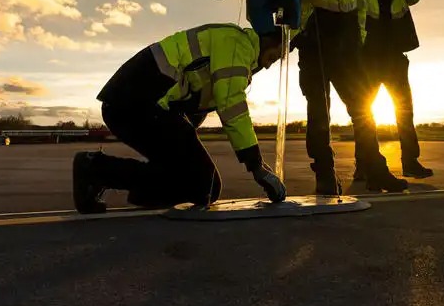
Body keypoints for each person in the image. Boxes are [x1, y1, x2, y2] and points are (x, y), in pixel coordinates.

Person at [72, 23, 287, 214]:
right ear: (268, 39)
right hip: (136, 104)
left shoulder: (232, 47)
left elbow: (194, 97)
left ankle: (110, 176)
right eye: (274, 56)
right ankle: (94, 169)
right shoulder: (239, 45)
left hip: (134, 105)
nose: (268, 65)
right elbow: (232, 106)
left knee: (200, 184)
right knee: (203, 186)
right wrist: (256, 166)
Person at [291, 0, 409, 195]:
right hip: (314, 51)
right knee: (319, 113)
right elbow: (294, 2)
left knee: (363, 111)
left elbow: (361, 10)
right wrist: (295, 37)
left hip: (346, 54)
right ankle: (325, 175)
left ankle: (376, 172)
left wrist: (359, 41)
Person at [356, 0, 433, 179]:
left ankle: (410, 161)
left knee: (404, 112)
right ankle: (363, 166)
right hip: (368, 57)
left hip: (394, 57)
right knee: (363, 114)